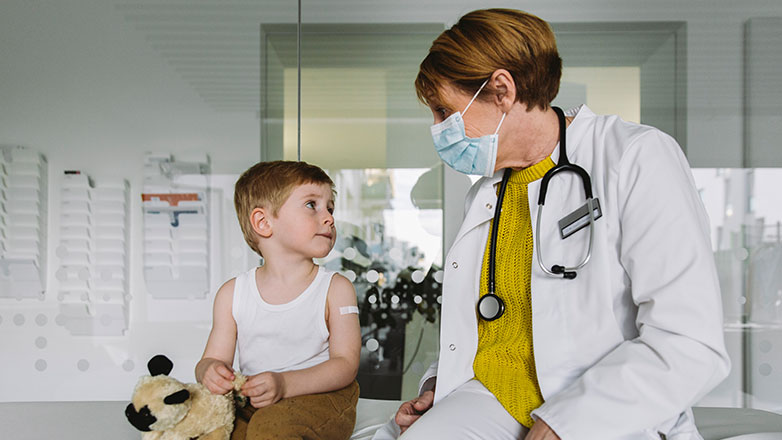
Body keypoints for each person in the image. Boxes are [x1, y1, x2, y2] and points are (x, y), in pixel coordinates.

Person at [373, 8, 730, 440]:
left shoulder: (634, 157)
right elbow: (489, 324)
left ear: (502, 91)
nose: (438, 129)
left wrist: (566, 423)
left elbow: (690, 342)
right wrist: (438, 382)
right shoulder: (487, 193)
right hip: (493, 397)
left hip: (604, 404)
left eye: (443, 111)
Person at [196, 160, 361, 440]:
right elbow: (211, 359)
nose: (329, 218)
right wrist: (210, 372)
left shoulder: (336, 288)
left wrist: (284, 384)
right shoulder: (232, 294)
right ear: (263, 222)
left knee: (271, 430)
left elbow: (346, 364)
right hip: (257, 399)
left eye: (330, 207)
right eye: (312, 205)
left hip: (322, 396)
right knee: (213, 432)